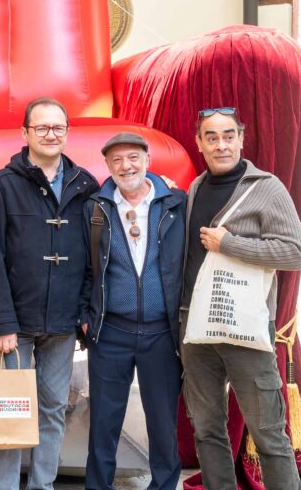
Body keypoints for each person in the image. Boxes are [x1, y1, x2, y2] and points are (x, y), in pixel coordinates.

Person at [181, 107, 301, 490]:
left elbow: (294, 253)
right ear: (200, 143)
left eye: (228, 135)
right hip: (195, 329)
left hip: (247, 329)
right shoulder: (195, 188)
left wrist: (230, 244)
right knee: (206, 430)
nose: (221, 144)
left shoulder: (266, 187)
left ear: (241, 137)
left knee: (268, 433)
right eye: (212, 137)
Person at [0, 97, 97, 490]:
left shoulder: (85, 185)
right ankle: (6, 486)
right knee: (11, 410)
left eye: (58, 128)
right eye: (42, 127)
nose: (51, 134)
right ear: (25, 133)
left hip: (63, 322)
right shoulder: (4, 184)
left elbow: (91, 257)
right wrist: (1, 320)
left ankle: (42, 485)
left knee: (52, 408)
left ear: (67, 132)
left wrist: (83, 311)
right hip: (16, 323)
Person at [81, 132, 186, 490]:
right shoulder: (95, 207)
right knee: (104, 423)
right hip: (111, 331)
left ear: (147, 160)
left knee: (162, 422)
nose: (126, 166)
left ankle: (164, 486)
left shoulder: (175, 203)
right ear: (108, 166)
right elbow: (84, 266)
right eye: (117, 160)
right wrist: (85, 315)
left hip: (161, 332)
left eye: (133, 157)